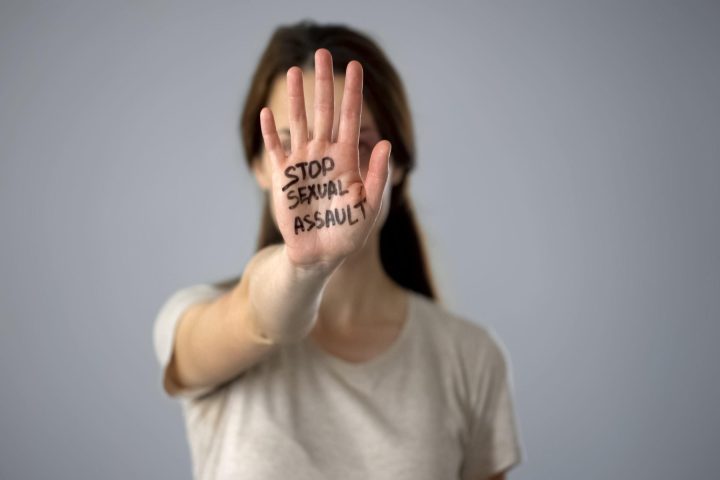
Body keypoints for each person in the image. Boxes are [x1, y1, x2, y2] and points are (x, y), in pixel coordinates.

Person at [153, 20, 524, 480]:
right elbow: (259, 316)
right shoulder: (194, 319)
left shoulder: (470, 357)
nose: (326, 171)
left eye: (355, 144)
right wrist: (306, 265)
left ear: (399, 164)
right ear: (259, 167)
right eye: (292, 146)